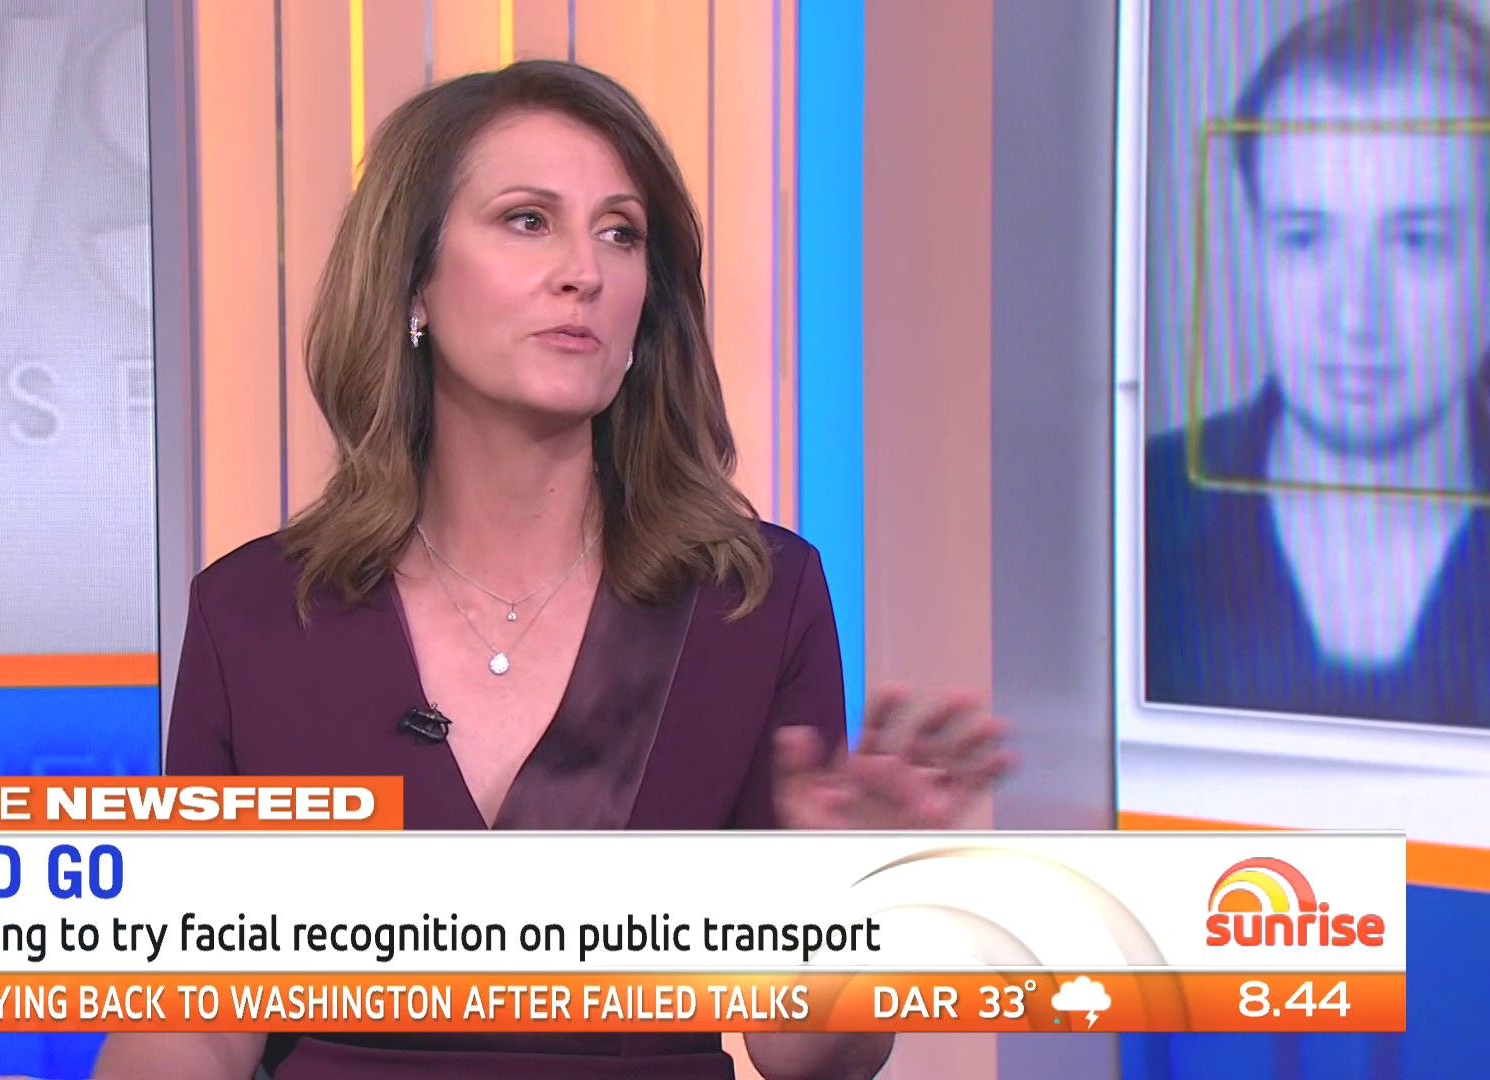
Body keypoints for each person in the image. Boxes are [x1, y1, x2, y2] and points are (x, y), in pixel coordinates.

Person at [97, 60, 1012, 1079]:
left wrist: (857, 913)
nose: (585, 270)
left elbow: (810, 1056)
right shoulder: (258, 615)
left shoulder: (753, 600)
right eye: (528, 221)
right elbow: (194, 1019)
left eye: (621, 234)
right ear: (413, 283)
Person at [1148, 0, 1490, 728]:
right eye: (1304, 239)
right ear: (1254, 250)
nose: (1355, 316)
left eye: (1417, 242)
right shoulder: (1137, 514)